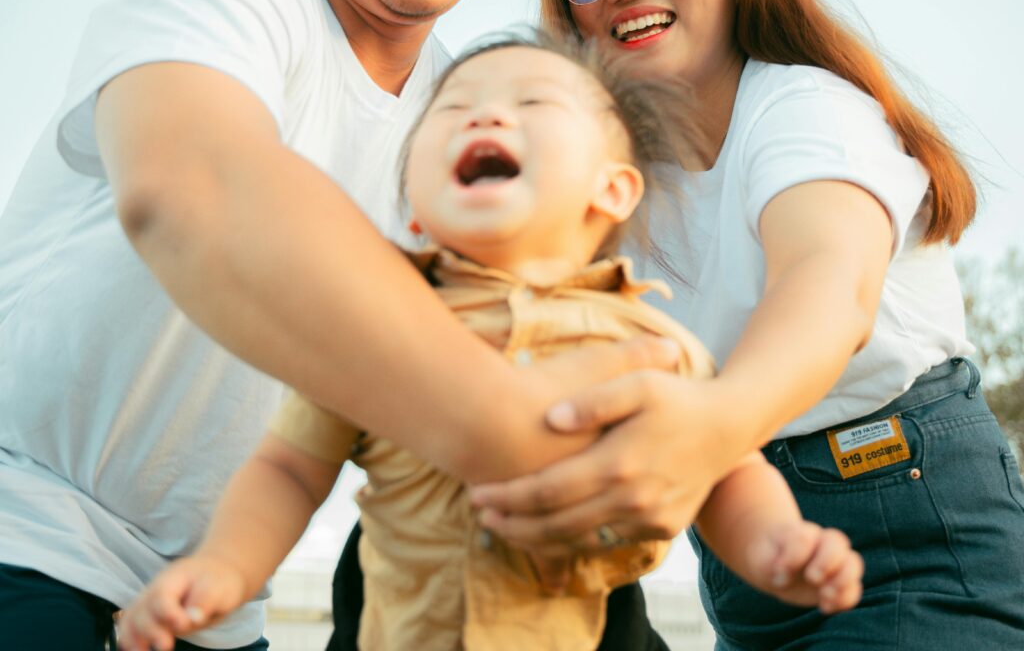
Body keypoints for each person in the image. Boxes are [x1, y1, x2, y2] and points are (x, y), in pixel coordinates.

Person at [0, 0, 678, 651]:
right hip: (27, 526)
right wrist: (498, 417)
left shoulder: (464, 118)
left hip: (218, 596)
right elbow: (187, 191)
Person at [117, 37, 864, 651]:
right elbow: (288, 468)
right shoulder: (378, 326)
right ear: (413, 207)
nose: (486, 115)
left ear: (611, 190)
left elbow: (723, 467)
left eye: (534, 103)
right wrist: (225, 566)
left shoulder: (649, 341)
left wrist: (775, 543)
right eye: (453, 109)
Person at [466, 0, 1024, 648]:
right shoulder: (612, 191)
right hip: (746, 560)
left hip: (909, 524)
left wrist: (707, 425)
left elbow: (828, 285)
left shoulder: (803, 106)